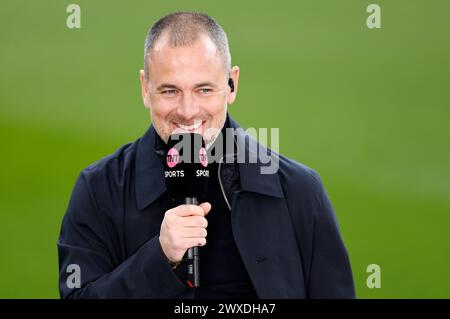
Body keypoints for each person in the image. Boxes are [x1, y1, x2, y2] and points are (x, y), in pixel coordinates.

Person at [57, 11, 355, 299]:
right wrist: (160, 259)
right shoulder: (99, 188)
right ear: (145, 88)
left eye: (203, 89)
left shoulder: (299, 190)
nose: (188, 111)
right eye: (170, 91)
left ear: (231, 84)